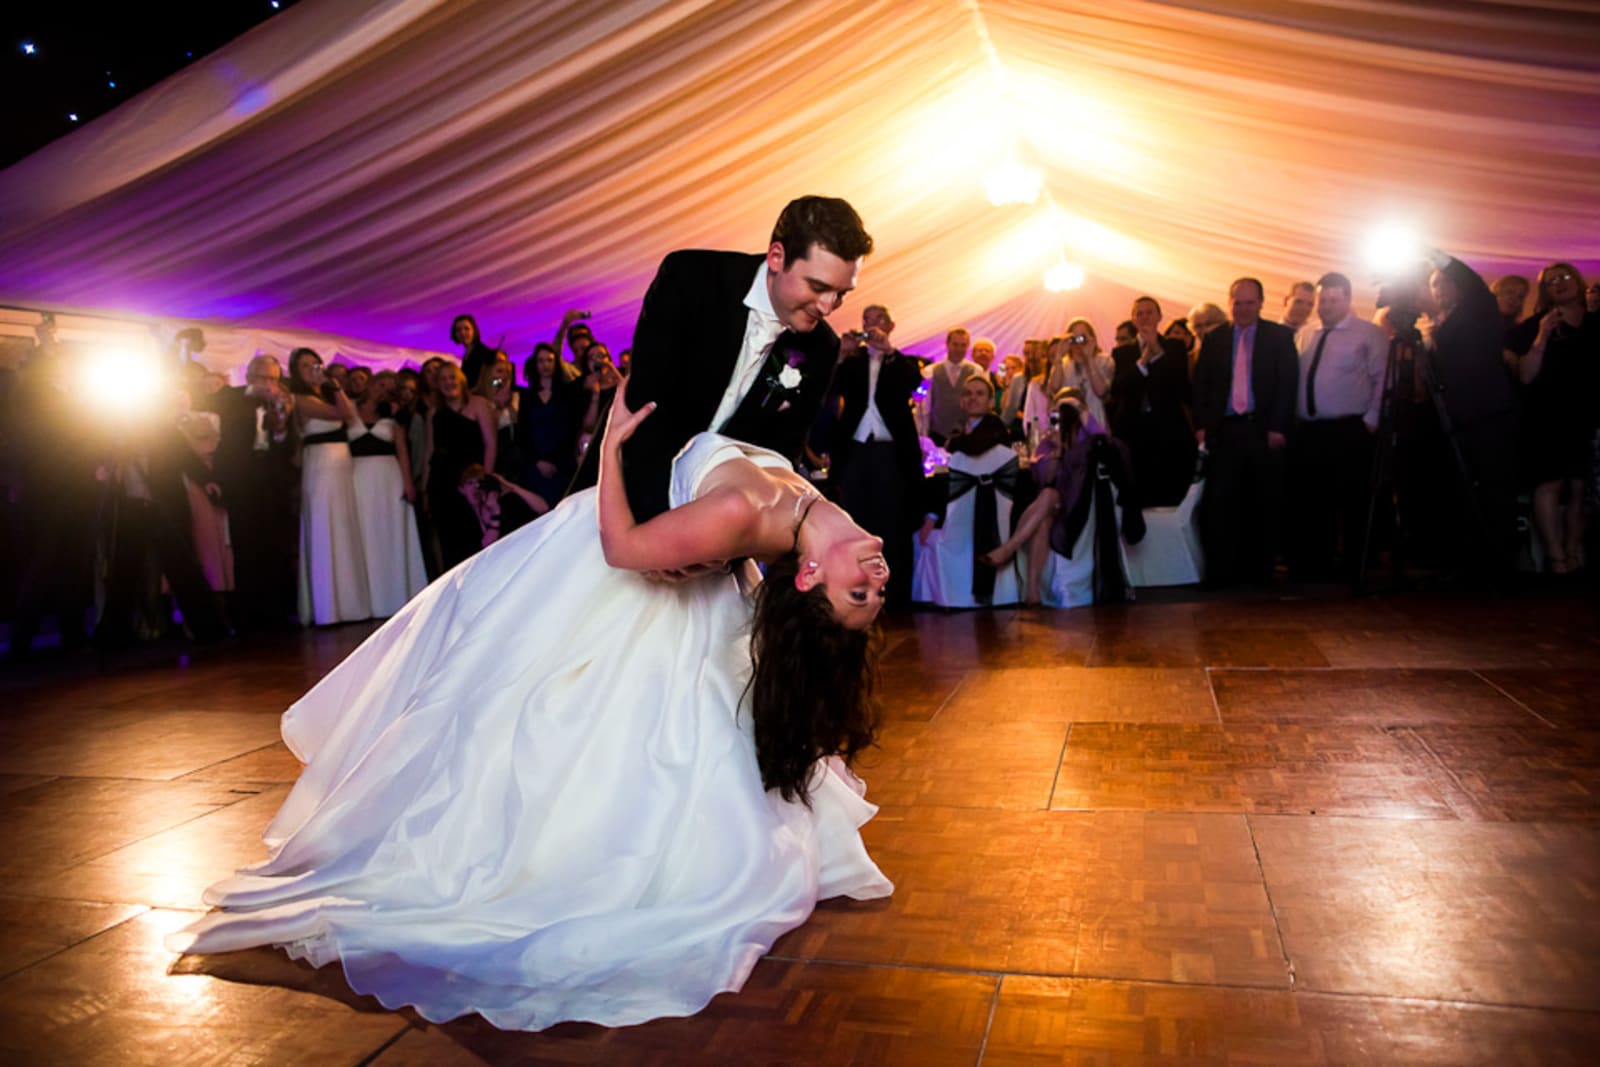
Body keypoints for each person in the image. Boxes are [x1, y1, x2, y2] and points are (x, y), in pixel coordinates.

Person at [167, 377, 894, 1031]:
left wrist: (610, 450)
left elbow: (620, 548)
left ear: (805, 578)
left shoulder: (744, 514)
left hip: (603, 553)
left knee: (572, 728)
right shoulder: (796, 504)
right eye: (873, 593)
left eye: (856, 593)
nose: (876, 577)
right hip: (635, 555)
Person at [569, 195, 873, 524]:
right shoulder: (690, 278)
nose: (828, 307)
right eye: (817, 286)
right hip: (618, 500)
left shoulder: (821, 348)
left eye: (841, 293)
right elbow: (647, 407)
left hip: (716, 530)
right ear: (776, 257)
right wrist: (659, 532)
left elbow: (780, 453)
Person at [1192, 278, 1299, 586]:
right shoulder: (1215, 339)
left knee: (1262, 500)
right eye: (1237, 302)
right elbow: (1202, 385)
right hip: (1225, 431)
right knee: (1223, 502)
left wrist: (1278, 426)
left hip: (1263, 430)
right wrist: (1202, 426)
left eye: (1249, 302)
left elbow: (1286, 385)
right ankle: (1225, 570)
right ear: (1230, 303)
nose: (1242, 309)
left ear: (1261, 303)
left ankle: (1259, 570)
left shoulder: (1278, 337)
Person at [1286, 272, 1387, 582]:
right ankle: (1315, 564)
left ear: (1347, 299)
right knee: (1312, 500)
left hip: (1348, 429)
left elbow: (1383, 379)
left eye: (1333, 301)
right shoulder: (1306, 332)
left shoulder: (1368, 333)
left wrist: (1371, 419)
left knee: (1353, 499)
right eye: (1322, 301)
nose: (1325, 307)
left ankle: (1355, 563)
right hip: (1309, 430)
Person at [829, 303, 923, 606]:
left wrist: (888, 351)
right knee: (855, 518)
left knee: (891, 520)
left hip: (890, 452)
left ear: (890, 325)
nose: (871, 326)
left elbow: (913, 382)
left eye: (877, 320)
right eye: (866, 320)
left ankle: (893, 596)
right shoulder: (853, 363)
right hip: (855, 449)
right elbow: (827, 387)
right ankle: (855, 590)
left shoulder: (900, 362)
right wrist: (841, 353)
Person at [1508, 263, 1597, 574]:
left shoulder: (1595, 324)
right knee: (1550, 482)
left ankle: (1574, 550)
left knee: (1580, 486)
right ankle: (1556, 556)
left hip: (1586, 414)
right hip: (1547, 414)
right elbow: (1526, 375)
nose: (1560, 284)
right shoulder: (1532, 327)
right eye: (1551, 281)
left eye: (1565, 277)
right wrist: (1542, 335)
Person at [211, 354, 298, 634]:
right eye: (263, 378)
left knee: (274, 547)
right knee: (245, 547)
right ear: (249, 377)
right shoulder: (234, 399)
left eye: (273, 379)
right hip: (241, 482)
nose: (269, 384)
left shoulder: (283, 404)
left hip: (272, 484)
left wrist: (282, 425)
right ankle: (248, 617)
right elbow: (221, 400)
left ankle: (278, 613)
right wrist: (253, 392)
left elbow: (287, 447)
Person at [289, 348, 371, 625]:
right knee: (325, 528)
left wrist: (331, 386)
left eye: (315, 363)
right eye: (305, 366)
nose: (312, 369)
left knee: (344, 527)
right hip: (321, 466)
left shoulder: (324, 392)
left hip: (340, 464)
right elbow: (345, 413)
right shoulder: (300, 399)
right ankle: (328, 606)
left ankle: (350, 603)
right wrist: (335, 386)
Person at [349, 371, 428, 616]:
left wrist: (408, 484)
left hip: (388, 478)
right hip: (357, 478)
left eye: (389, 387)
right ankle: (366, 599)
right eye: (380, 384)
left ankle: (394, 594)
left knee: (390, 533)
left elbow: (402, 451)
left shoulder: (394, 417)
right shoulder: (348, 410)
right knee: (363, 535)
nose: (382, 389)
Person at [1108, 295, 1195, 507]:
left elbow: (1178, 382)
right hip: (1133, 426)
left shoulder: (1174, 346)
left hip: (1168, 425)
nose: (1145, 317)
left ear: (1159, 317)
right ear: (1133, 319)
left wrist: (1156, 349)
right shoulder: (1122, 352)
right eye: (1139, 313)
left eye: (1149, 313)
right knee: (1137, 484)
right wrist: (1141, 363)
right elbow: (1118, 387)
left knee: (1168, 484)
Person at [427, 364, 498, 569]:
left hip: (470, 479)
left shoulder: (478, 404)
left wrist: (486, 479)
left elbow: (490, 443)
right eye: (443, 379)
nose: (448, 383)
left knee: (474, 536)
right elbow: (430, 451)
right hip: (442, 481)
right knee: (448, 540)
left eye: (452, 378)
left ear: (461, 380)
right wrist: (424, 486)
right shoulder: (435, 412)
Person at [516, 341, 580, 508]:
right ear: (535, 364)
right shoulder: (527, 397)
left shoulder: (567, 393)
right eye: (541, 361)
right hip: (535, 464)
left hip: (562, 463)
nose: (545, 365)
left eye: (549, 360)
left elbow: (572, 429)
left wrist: (556, 461)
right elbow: (523, 433)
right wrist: (537, 461)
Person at [922, 327, 988, 444]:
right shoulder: (929, 371)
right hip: (937, 435)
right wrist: (923, 436)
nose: (959, 349)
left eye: (963, 345)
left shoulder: (977, 371)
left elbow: (982, 405)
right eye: (955, 344)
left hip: (966, 435)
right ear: (947, 345)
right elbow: (923, 406)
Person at [451, 314, 501, 392]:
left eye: (466, 329)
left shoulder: (483, 352)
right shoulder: (467, 353)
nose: (462, 333)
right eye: (458, 330)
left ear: (474, 331)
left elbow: (496, 380)